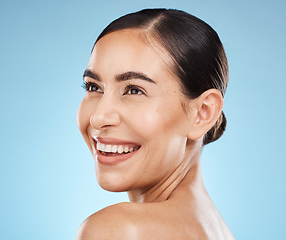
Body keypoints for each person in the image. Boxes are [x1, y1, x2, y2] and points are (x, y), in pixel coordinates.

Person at [76, 8, 234, 240]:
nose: (98, 117)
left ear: (202, 113)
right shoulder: (215, 230)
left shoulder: (120, 230)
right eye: (93, 87)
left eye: (134, 90)